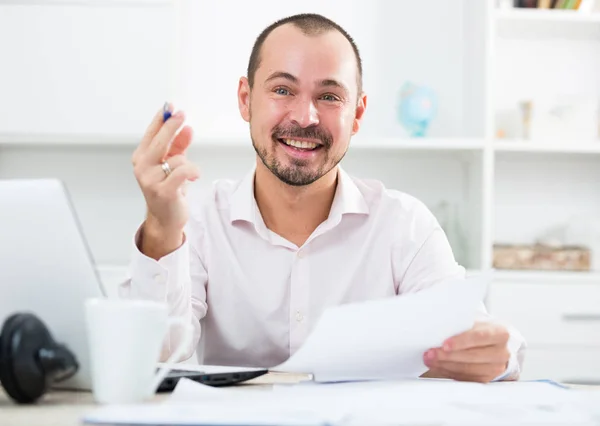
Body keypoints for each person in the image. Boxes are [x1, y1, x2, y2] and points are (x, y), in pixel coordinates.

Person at [121, 13, 525, 383]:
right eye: (283, 89)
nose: (305, 117)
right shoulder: (200, 221)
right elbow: (151, 358)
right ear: (246, 99)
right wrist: (162, 226)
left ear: (358, 113)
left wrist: (498, 354)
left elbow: (472, 333)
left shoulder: (405, 225)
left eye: (329, 96)